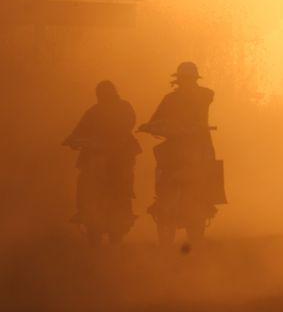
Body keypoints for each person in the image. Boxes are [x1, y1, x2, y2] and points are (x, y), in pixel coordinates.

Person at [138, 62, 223, 243]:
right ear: (178, 81)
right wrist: (150, 126)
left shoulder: (204, 94)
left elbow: (208, 97)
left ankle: (205, 202)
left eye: (189, 80)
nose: (187, 83)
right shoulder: (170, 99)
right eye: (184, 80)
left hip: (198, 146)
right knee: (162, 170)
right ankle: (161, 201)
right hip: (175, 147)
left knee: (204, 173)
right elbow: (156, 118)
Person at [63, 81, 141, 245]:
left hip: (121, 156)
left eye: (107, 94)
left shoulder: (122, 108)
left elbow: (129, 124)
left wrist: (113, 139)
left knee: (124, 182)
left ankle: (123, 212)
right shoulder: (93, 112)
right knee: (86, 180)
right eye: (102, 94)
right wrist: (72, 140)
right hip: (99, 158)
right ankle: (85, 210)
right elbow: (79, 131)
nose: (105, 97)